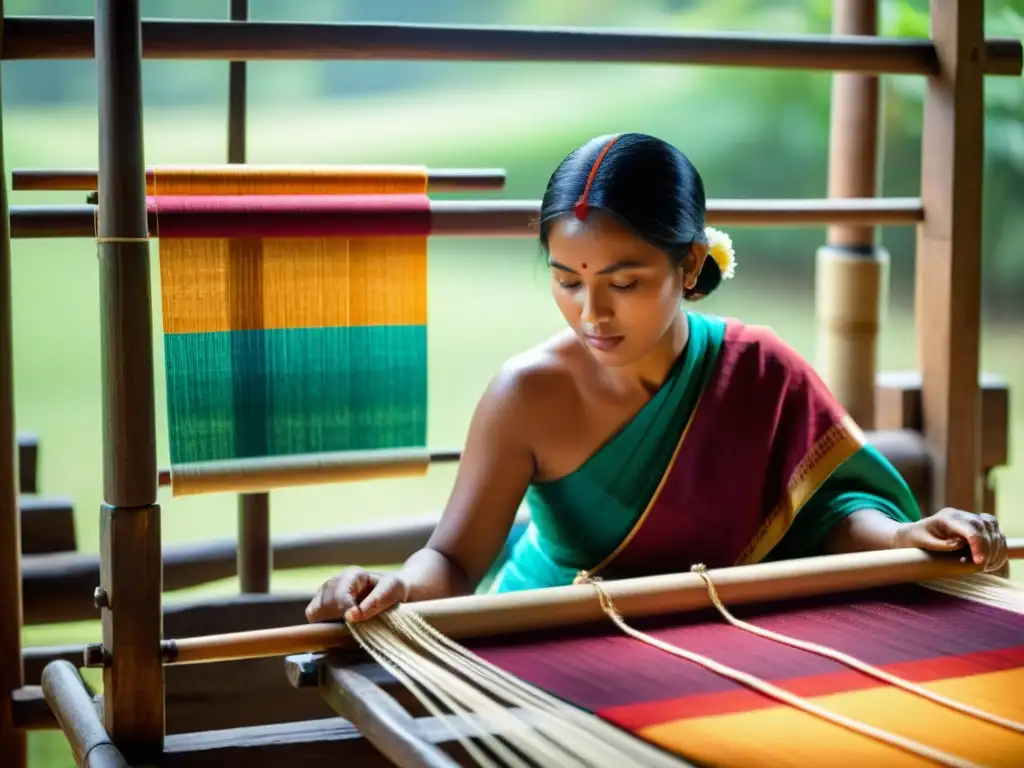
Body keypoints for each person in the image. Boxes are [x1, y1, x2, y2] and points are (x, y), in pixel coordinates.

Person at [305, 132, 1009, 625]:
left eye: (625, 280)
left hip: (725, 641)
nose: (593, 313)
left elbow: (825, 511)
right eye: (567, 281)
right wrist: (396, 583)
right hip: (542, 646)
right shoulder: (525, 395)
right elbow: (454, 563)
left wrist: (905, 538)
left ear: (691, 261)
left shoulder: (758, 369)